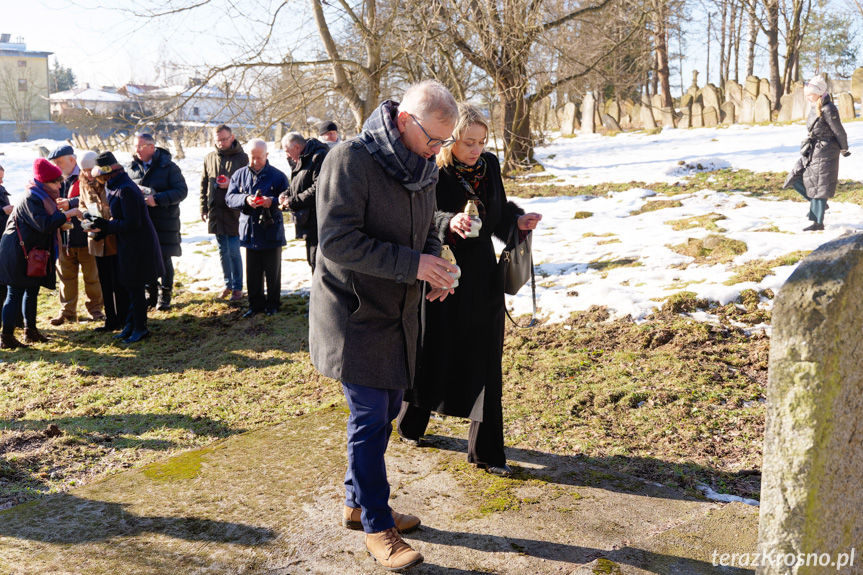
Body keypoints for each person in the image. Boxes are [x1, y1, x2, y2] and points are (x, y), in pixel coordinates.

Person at [310, 80, 460, 572]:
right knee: (371, 416)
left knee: (389, 407)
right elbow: (336, 241)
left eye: (444, 143)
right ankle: (377, 524)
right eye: (433, 140)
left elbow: (429, 228)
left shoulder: (422, 164)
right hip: (353, 314)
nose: (438, 152)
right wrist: (413, 265)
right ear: (404, 121)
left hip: (398, 311)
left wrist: (434, 267)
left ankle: (357, 503)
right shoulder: (350, 159)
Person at [396, 102, 543, 478]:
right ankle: (411, 422)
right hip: (441, 271)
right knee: (433, 351)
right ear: (450, 142)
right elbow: (420, 217)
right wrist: (450, 222)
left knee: (486, 362)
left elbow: (496, 215)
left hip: (482, 275)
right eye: (468, 142)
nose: (476, 150)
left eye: (481, 142)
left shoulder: (490, 166)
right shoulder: (430, 167)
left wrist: (516, 221)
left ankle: (487, 451)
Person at [0, 159, 82, 348]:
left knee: (32, 291)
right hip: (17, 253)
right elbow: (43, 224)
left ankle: (31, 331)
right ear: (44, 181)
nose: (60, 185)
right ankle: (6, 337)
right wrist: (69, 214)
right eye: (56, 182)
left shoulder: (41, 195)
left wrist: (60, 220)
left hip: (30, 252)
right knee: (15, 293)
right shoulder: (32, 197)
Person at [89, 152, 164, 343]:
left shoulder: (125, 189)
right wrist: (102, 228)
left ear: (108, 173)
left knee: (136, 287)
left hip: (138, 246)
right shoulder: (116, 186)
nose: (98, 180)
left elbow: (132, 223)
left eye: (99, 176)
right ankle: (130, 325)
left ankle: (141, 328)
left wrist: (106, 226)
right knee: (131, 287)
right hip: (128, 244)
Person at [225, 139, 288, 318]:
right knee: (253, 272)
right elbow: (230, 198)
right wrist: (246, 199)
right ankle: (255, 304)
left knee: (272, 271)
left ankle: (273, 304)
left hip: (271, 230)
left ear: (266, 155)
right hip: (250, 231)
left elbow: (288, 200)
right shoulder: (239, 175)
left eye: (259, 158)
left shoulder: (278, 176)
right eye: (252, 158)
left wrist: (272, 202)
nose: (255, 162)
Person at [128, 132, 188, 310]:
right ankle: (150, 295)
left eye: (140, 146)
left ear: (151, 147)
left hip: (164, 221)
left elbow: (181, 191)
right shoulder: (132, 168)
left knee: (164, 258)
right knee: (146, 258)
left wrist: (158, 199)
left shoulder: (168, 167)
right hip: (142, 221)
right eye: (135, 146)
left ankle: (165, 296)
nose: (137, 150)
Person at [783, 75, 851, 231]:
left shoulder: (829, 108)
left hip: (827, 151)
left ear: (819, 93)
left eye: (809, 95)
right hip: (814, 149)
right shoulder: (817, 106)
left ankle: (817, 223)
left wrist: (844, 148)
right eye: (806, 95)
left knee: (820, 186)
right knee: (795, 177)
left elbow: (838, 130)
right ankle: (819, 205)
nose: (807, 98)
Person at [49, 145, 105, 325]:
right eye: (54, 163)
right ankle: (67, 312)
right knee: (66, 277)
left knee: (92, 277)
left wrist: (69, 203)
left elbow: (93, 197)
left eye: (60, 162)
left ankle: (96, 310)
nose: (57, 166)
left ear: (72, 160)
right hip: (64, 238)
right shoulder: (57, 178)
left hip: (85, 235)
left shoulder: (88, 173)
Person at [76, 151, 128, 333]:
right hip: (96, 238)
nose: (88, 174)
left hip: (113, 235)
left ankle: (124, 317)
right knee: (104, 282)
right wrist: (86, 216)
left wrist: (106, 220)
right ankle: (111, 319)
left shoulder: (108, 182)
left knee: (119, 282)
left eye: (91, 169)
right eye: (84, 171)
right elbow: (82, 204)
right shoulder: (83, 184)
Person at [200, 124, 249, 301]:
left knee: (234, 250)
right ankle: (228, 284)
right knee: (223, 250)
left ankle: (238, 287)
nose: (221, 143)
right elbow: (204, 184)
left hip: (235, 211)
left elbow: (251, 183)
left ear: (232, 137)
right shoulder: (209, 158)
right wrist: (203, 207)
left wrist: (232, 185)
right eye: (218, 140)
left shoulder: (243, 158)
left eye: (224, 139)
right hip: (216, 210)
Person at [278, 131, 329, 272]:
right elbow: (298, 183)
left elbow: (318, 188)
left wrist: (292, 201)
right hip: (308, 220)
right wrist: (286, 194)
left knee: (318, 263)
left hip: (318, 220)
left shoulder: (318, 156)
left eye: (287, 151)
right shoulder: (300, 158)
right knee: (312, 261)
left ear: (296, 147)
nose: (287, 156)